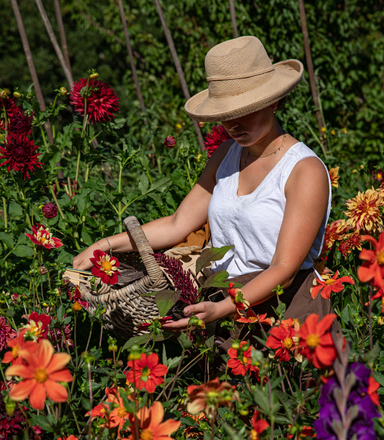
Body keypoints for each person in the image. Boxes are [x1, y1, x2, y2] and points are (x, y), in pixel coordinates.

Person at [73, 36, 331, 335]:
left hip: (286, 313)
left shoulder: (303, 170)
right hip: (221, 303)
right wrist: (102, 245)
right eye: (225, 113)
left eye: (245, 109)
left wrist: (222, 308)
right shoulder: (226, 154)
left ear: (273, 101)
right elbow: (177, 224)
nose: (233, 122)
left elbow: (283, 270)